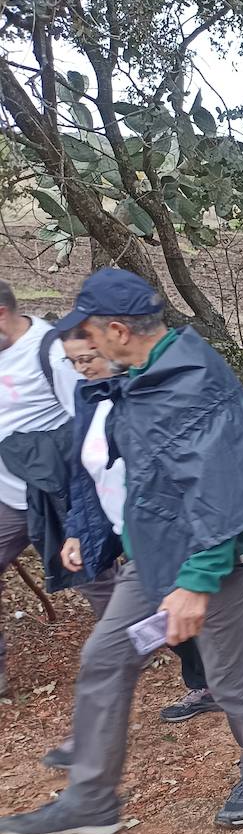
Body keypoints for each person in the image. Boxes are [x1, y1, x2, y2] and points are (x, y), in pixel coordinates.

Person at [0, 268, 243, 834]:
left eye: (88, 332)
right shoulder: (144, 374)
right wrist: (91, 533)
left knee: (231, 679)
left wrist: (195, 583)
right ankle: (90, 799)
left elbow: (221, 492)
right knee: (107, 656)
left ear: (116, 330)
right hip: (151, 562)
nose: (82, 345)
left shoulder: (189, 384)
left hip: (214, 566)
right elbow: (127, 476)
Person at [40, 335, 217, 772]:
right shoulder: (90, 399)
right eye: (72, 361)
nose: (80, 367)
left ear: (113, 345)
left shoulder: (152, 395)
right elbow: (88, 476)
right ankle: (93, 765)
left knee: (125, 641)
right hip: (134, 540)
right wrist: (79, 532)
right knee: (127, 640)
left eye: (87, 357)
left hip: (173, 538)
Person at [0, 282, 77, 698]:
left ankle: (136, 644)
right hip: (6, 498)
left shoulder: (49, 351)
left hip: (53, 492)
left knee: (93, 573)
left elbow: (84, 422)